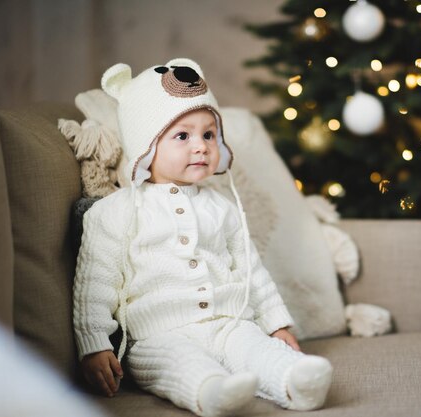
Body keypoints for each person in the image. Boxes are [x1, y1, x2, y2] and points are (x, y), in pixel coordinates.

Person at [72, 58, 333, 417]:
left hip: (228, 322)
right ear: (146, 145)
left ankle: (295, 381)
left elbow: (250, 269)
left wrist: (276, 323)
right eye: (183, 135)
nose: (201, 146)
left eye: (209, 134)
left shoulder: (221, 206)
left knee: (254, 348)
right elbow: (95, 282)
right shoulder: (115, 212)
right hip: (157, 336)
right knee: (179, 363)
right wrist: (94, 343)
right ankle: (213, 392)